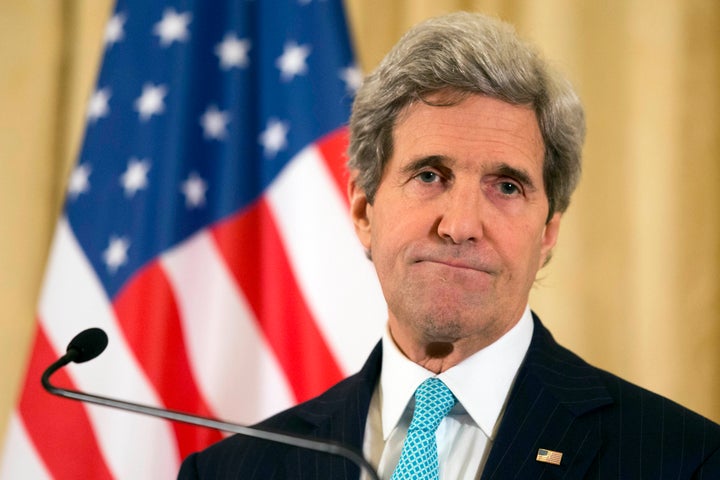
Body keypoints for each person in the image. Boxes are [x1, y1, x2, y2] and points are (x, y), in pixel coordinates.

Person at [178, 11, 720, 479]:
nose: (461, 225)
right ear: (365, 211)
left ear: (548, 231)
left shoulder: (683, 461)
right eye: (431, 175)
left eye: (507, 186)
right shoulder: (235, 470)